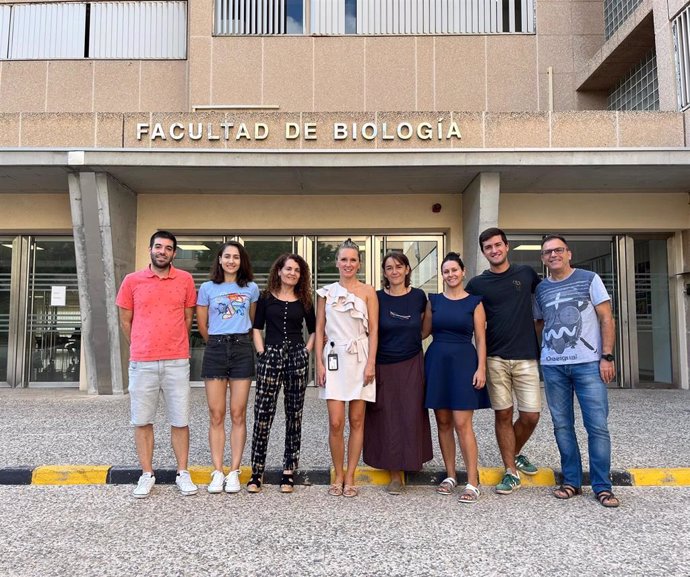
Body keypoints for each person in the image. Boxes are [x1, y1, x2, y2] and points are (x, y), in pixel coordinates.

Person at [534, 234, 620, 508]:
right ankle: (571, 481)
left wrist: (606, 356)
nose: (553, 255)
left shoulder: (589, 279)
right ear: (543, 259)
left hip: (588, 364)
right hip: (553, 366)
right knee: (562, 426)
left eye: (558, 250)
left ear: (568, 253)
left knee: (597, 426)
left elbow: (606, 317)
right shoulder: (542, 289)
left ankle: (602, 487)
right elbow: (540, 324)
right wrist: (545, 353)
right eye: (547, 252)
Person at [116, 230, 198, 499]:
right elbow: (125, 321)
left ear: (174, 253)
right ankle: (147, 473)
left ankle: (182, 472)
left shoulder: (185, 280)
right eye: (158, 247)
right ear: (150, 249)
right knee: (142, 420)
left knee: (180, 419)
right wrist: (142, 344)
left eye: (168, 248)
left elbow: (187, 319)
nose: (162, 251)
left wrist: (172, 343)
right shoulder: (132, 281)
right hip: (142, 362)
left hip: (176, 361)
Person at [465, 227, 541, 495]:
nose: (494, 250)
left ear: (507, 246)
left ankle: (515, 452)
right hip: (495, 358)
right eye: (488, 247)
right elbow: (466, 315)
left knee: (531, 415)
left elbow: (543, 304)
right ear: (483, 252)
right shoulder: (477, 284)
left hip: (527, 357)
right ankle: (511, 470)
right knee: (504, 414)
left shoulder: (526, 274)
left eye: (498, 245)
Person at [363, 251, 432, 495]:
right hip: (383, 363)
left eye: (399, 266)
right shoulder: (377, 297)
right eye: (389, 267)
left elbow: (424, 330)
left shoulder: (418, 297)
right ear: (384, 272)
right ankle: (395, 473)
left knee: (411, 414)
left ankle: (410, 460)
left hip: (412, 362)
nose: (394, 271)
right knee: (387, 417)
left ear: (407, 270)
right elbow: (369, 329)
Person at [423, 252, 490, 504]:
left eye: (454, 270)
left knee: (463, 424)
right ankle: (450, 475)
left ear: (463, 272)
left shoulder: (475, 302)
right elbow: (422, 332)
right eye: (446, 271)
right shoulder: (434, 301)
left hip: (464, 363)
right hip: (437, 362)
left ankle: (473, 480)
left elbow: (481, 339)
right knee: (442, 422)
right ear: (442, 276)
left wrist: (481, 368)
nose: (450, 274)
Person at [248, 254, 316, 494]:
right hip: (271, 356)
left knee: (294, 414)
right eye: (288, 269)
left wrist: (306, 352)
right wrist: (262, 352)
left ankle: (288, 470)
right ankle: (257, 471)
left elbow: (315, 330)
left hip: (296, 356)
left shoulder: (305, 300)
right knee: (263, 414)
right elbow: (256, 328)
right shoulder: (266, 298)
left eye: (297, 270)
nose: (292, 273)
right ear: (278, 271)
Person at [315, 238, 378, 498]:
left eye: (353, 260)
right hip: (334, 358)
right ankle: (337, 473)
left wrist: (371, 362)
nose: (348, 264)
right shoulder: (325, 293)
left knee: (357, 419)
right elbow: (318, 330)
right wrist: (318, 362)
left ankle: (351, 475)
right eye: (344, 259)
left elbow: (374, 330)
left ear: (359, 263)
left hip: (361, 358)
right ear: (336, 262)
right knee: (336, 421)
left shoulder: (368, 291)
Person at [196, 241, 259, 494]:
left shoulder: (251, 288)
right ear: (219, 260)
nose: (231, 261)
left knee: (238, 412)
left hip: (242, 347)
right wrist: (215, 342)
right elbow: (202, 323)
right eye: (227, 256)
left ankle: (234, 470)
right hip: (216, 349)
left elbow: (253, 321)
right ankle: (217, 471)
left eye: (236, 257)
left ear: (241, 261)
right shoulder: (207, 288)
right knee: (216, 413)